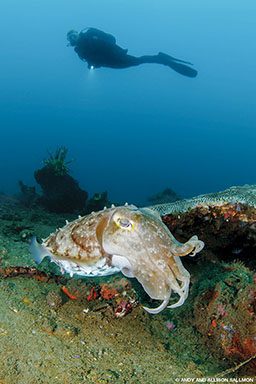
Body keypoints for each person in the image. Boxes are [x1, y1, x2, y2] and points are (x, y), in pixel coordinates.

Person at [67, 27, 198, 77]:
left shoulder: (90, 33)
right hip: (112, 64)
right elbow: (91, 62)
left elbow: (112, 39)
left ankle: (161, 59)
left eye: (73, 34)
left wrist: (98, 39)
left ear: (78, 33)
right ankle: (160, 58)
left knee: (138, 61)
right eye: (70, 37)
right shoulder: (79, 50)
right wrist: (91, 66)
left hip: (116, 56)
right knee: (137, 62)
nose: (73, 37)